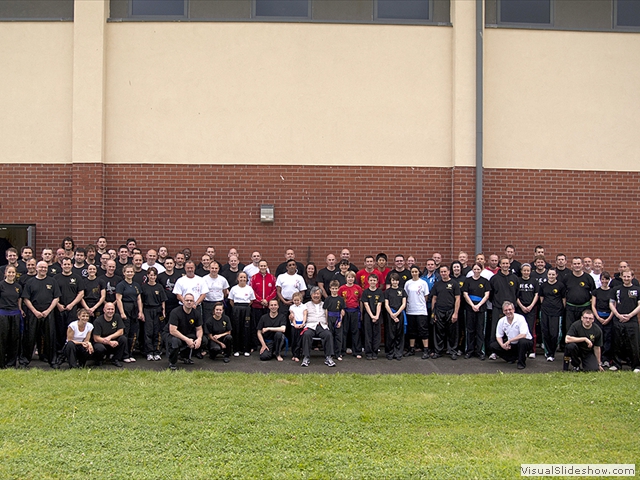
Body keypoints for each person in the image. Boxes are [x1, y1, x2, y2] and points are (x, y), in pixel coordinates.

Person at [22, 261, 61, 368]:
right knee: (30, 336)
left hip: (48, 313)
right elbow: (25, 298)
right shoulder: (30, 282)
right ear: (36, 268)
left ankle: (52, 360)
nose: (43, 269)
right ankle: (25, 360)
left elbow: (56, 298)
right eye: (41, 267)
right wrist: (35, 311)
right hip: (33, 313)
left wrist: (48, 311)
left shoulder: (52, 281)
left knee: (50, 336)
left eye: (45, 267)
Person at [609, 270, 640, 372]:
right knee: (617, 343)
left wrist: (630, 315)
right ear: (621, 277)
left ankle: (636, 366)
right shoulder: (616, 289)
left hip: (632, 321)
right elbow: (611, 304)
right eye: (624, 277)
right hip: (618, 320)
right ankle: (617, 364)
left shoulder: (637, 290)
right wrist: (618, 315)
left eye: (628, 277)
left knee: (634, 344)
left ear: (632, 277)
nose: (626, 279)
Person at [563, 257, 596, 348]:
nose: (577, 266)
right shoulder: (567, 278)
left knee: (584, 329)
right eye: (575, 264)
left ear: (582, 265)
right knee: (570, 330)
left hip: (584, 308)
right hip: (570, 308)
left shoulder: (588, 278)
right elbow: (563, 294)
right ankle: (570, 351)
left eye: (578, 264)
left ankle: (584, 350)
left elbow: (594, 293)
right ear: (571, 265)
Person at [430, 265, 461, 360]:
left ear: (448, 272)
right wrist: (433, 313)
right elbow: (434, 299)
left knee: (452, 332)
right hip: (439, 311)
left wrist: (455, 313)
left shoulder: (454, 284)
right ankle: (438, 351)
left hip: (450, 311)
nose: (443, 274)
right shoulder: (437, 284)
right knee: (439, 332)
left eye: (445, 272)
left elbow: (458, 298)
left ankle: (453, 351)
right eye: (441, 272)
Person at [490, 301, 533, 370]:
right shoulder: (501, 321)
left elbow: (523, 335)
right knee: (493, 346)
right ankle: (511, 358)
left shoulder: (520, 318)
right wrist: (502, 345)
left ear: (513, 310)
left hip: (525, 342)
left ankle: (521, 363)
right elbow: (498, 336)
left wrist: (509, 340)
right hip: (512, 344)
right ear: (503, 311)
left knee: (522, 342)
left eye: (510, 309)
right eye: (506, 310)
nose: (508, 312)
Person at [299, 287, 335, 367]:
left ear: (321, 295)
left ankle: (329, 357)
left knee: (328, 334)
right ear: (311, 295)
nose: (316, 295)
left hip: (322, 325)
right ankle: (306, 357)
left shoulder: (325, 304)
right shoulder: (306, 305)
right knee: (307, 334)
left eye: (318, 294)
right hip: (310, 325)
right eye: (314, 294)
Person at [115, 264, 144, 363]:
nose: (130, 273)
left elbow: (139, 299)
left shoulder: (136, 285)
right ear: (124, 273)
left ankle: (131, 353)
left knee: (133, 333)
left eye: (131, 272)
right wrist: (122, 313)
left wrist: (140, 311)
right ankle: (124, 354)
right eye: (128, 272)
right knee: (125, 333)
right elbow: (118, 299)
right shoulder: (121, 285)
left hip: (134, 310)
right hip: (125, 309)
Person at [167, 293, 203, 370]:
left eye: (191, 301)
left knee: (203, 340)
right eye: (187, 300)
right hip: (171, 335)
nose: (189, 302)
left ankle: (184, 357)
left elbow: (199, 329)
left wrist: (199, 339)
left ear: (194, 302)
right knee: (175, 341)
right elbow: (172, 331)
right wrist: (187, 340)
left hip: (186, 333)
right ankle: (172, 362)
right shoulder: (175, 312)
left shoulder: (196, 313)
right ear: (183, 301)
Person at [462, 263, 490, 360]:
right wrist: (472, 305)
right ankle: (469, 350)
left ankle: (480, 351)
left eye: (478, 269)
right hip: (469, 309)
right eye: (475, 269)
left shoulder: (485, 281)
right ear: (472, 270)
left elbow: (487, 295)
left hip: (481, 309)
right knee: (469, 330)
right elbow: (465, 294)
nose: (476, 271)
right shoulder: (468, 281)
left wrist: (478, 305)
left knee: (480, 330)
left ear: (481, 270)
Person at [538, 269, 566, 362]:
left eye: (553, 274)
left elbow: (563, 299)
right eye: (549, 274)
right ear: (547, 275)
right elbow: (541, 298)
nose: (551, 276)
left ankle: (553, 351)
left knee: (555, 334)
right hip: (545, 311)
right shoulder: (543, 285)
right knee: (545, 332)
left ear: (556, 275)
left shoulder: (560, 285)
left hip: (557, 312)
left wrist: (561, 308)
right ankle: (548, 352)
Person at [403, 266, 430, 358]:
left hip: (421, 310)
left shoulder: (423, 283)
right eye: (412, 272)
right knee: (411, 330)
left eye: (416, 271)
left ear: (419, 272)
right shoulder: (408, 283)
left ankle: (426, 349)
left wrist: (421, 304)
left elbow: (426, 296)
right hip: (410, 310)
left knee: (423, 330)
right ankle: (411, 348)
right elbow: (406, 296)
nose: (414, 273)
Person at [141, 267, 167, 361]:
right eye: (151, 275)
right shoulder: (143, 287)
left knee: (157, 331)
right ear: (147, 275)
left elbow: (163, 300)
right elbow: (141, 301)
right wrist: (141, 312)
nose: (152, 277)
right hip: (147, 310)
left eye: (154, 275)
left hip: (157, 311)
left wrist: (163, 311)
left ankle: (156, 351)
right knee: (148, 332)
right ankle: (149, 352)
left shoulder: (159, 287)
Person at [228, 271, 255, 357]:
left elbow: (251, 301)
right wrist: (237, 308)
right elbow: (231, 301)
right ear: (237, 278)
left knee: (246, 328)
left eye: (244, 277)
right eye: (241, 277)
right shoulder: (234, 288)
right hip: (236, 309)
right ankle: (236, 349)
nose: (242, 279)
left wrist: (245, 308)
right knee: (236, 328)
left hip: (246, 309)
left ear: (247, 279)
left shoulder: (249, 288)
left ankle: (246, 349)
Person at [0, 265, 22, 368]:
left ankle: (11, 363)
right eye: (9, 272)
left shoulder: (18, 287)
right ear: (5, 273)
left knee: (14, 339)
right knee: (3, 339)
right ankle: (2, 363)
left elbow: (19, 300)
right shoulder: (1, 285)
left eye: (13, 272)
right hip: (3, 314)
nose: (11, 274)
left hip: (15, 314)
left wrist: (20, 309)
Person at [91, 302, 126, 367]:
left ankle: (115, 359)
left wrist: (110, 337)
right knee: (99, 348)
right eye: (108, 309)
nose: (110, 311)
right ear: (104, 310)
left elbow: (121, 331)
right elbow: (96, 338)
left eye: (112, 309)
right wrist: (109, 342)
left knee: (123, 339)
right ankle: (99, 360)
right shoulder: (98, 321)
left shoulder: (117, 317)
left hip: (113, 341)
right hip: (101, 342)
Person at [516, 263, 539, 358]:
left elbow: (536, 294)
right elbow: (516, 295)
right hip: (520, 308)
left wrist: (531, 306)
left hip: (531, 309)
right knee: (520, 330)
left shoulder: (534, 281)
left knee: (530, 330)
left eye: (528, 271)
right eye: (524, 270)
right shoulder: (518, 281)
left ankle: (531, 351)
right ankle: (522, 351)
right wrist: (521, 306)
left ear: (530, 271)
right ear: (521, 271)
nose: (526, 272)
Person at [337, 271, 363, 358]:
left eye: (352, 277)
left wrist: (361, 312)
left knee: (355, 331)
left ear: (354, 278)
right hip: (345, 311)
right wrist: (341, 310)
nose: (350, 279)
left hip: (355, 311)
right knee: (344, 331)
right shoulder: (342, 288)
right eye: (349, 277)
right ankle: (342, 350)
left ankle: (357, 351)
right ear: (346, 278)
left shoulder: (358, 288)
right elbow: (339, 301)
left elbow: (360, 300)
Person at [591, 271, 613, 368]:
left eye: (606, 279)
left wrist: (608, 318)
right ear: (600, 280)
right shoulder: (596, 291)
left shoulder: (612, 291)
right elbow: (593, 305)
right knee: (598, 338)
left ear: (609, 280)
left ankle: (606, 359)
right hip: (598, 318)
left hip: (609, 318)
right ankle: (597, 359)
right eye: (603, 279)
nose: (604, 281)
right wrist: (598, 317)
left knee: (608, 339)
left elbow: (613, 306)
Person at [384, 272, 407, 361]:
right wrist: (392, 315)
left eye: (396, 280)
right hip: (390, 314)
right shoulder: (387, 291)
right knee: (390, 334)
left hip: (399, 314)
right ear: (391, 281)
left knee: (399, 334)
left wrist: (397, 313)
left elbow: (404, 303)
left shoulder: (402, 291)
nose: (395, 282)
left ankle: (398, 352)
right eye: (393, 280)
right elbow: (386, 304)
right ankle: (390, 352)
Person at [361, 274, 383, 360]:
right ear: (368, 281)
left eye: (374, 280)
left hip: (377, 315)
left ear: (377, 282)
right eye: (371, 280)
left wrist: (376, 316)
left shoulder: (380, 292)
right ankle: (368, 352)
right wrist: (371, 316)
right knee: (368, 334)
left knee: (377, 334)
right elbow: (366, 305)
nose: (373, 282)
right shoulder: (365, 292)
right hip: (368, 315)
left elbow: (379, 304)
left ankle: (375, 352)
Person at [324, 280, 345, 361]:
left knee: (338, 337)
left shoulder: (341, 299)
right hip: (329, 318)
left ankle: (338, 353)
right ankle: (330, 353)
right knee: (330, 336)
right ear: (330, 289)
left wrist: (340, 321)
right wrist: (326, 320)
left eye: (336, 288)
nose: (334, 290)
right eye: (333, 288)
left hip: (337, 318)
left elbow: (342, 311)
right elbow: (326, 310)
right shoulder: (328, 299)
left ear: (338, 289)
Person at [288, 292, 306, 362]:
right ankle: (293, 354)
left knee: (299, 341)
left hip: (301, 325)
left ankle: (297, 355)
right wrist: (294, 324)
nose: (296, 302)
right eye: (294, 300)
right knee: (294, 340)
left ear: (301, 300)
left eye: (297, 300)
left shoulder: (304, 306)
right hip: (294, 325)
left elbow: (305, 315)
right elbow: (292, 316)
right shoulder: (292, 307)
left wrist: (303, 323)